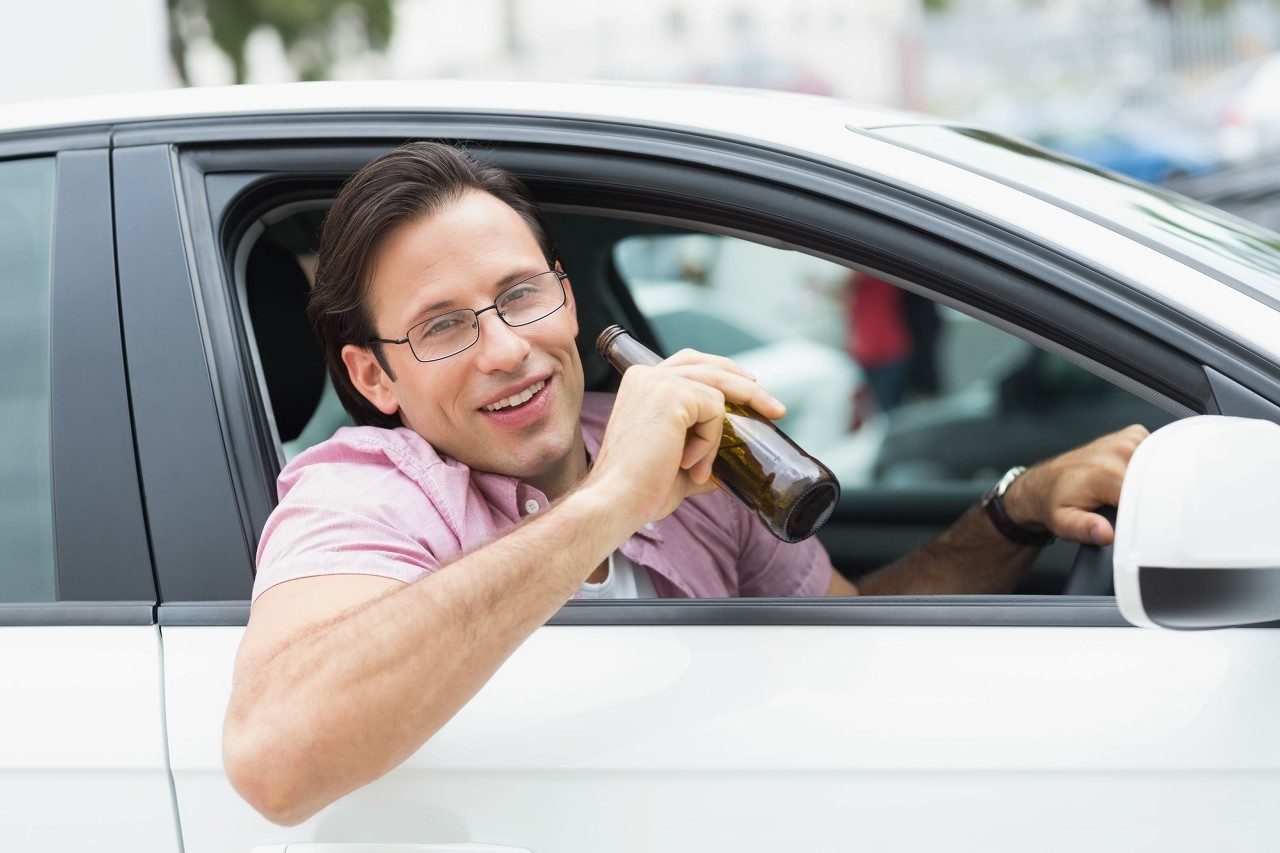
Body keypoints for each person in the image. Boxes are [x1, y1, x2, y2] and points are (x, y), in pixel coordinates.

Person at [223, 142, 1148, 825]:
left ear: (566, 297)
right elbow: (276, 759)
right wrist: (609, 500)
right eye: (442, 327)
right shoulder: (361, 489)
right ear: (375, 376)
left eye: (519, 296)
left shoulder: (676, 450)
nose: (507, 350)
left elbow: (850, 637)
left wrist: (1014, 512)